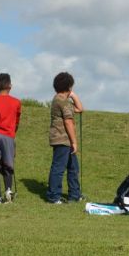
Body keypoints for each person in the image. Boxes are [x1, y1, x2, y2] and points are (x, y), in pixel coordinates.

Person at [47, 72, 84, 204]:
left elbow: (80, 108)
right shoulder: (62, 101)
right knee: (59, 168)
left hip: (64, 140)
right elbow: (68, 122)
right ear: (68, 86)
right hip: (62, 139)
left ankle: (75, 195)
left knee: (73, 167)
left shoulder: (61, 99)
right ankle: (54, 196)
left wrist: (72, 95)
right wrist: (74, 142)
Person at [0, 73, 22, 204]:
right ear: (10, 86)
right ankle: (8, 192)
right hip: (8, 135)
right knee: (8, 164)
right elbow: (17, 121)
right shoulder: (16, 102)